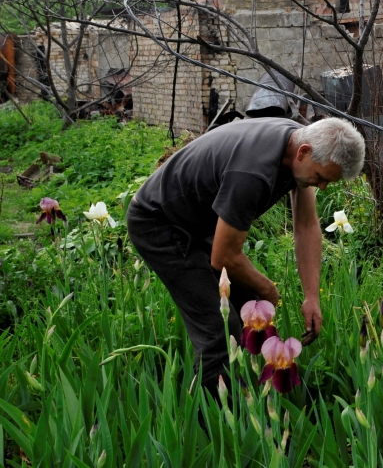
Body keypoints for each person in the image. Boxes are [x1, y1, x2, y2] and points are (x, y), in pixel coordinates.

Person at [127, 116, 365, 388]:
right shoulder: (253, 172)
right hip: (159, 222)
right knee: (219, 329)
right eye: (321, 178)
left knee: (249, 307)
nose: (321, 187)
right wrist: (268, 289)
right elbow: (224, 257)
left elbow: (307, 225)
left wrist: (312, 296)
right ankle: (212, 421)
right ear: (304, 152)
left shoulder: (298, 145)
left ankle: (247, 392)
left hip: (196, 218)